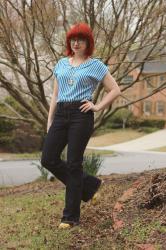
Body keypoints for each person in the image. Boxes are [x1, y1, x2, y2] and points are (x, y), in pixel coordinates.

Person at [41, 23, 121, 229]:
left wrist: (97, 106)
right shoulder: (61, 64)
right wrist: (50, 121)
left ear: (88, 42)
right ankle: (89, 186)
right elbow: (56, 95)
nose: (76, 43)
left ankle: (70, 217)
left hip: (81, 115)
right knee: (48, 158)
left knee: (74, 163)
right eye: (73, 39)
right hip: (61, 113)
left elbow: (115, 90)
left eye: (81, 39)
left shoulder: (96, 66)